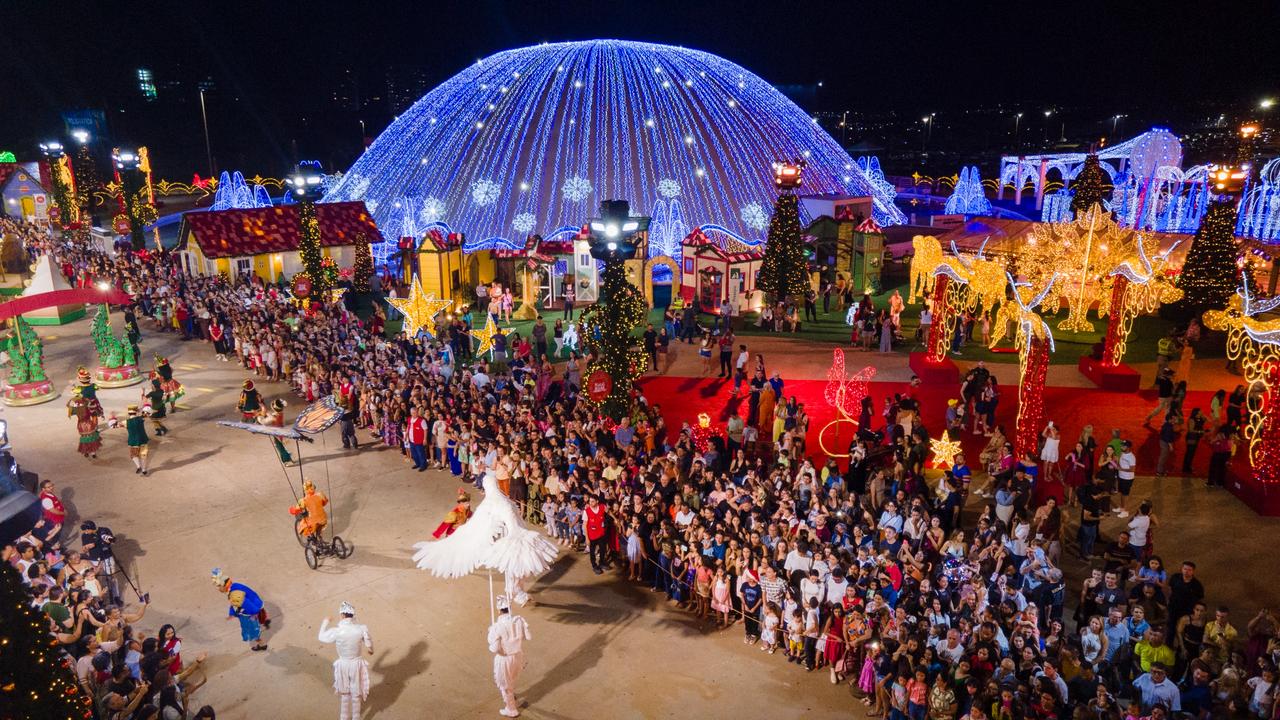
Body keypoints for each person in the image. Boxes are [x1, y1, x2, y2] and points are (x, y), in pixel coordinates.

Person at [317, 601, 373, 720]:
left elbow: (321, 636)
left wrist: (325, 622)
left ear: (342, 615)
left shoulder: (337, 631)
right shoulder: (360, 629)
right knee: (356, 692)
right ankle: (356, 717)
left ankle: (343, 718)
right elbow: (368, 641)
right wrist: (370, 649)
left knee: (345, 693)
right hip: (357, 664)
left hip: (343, 664)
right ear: (352, 615)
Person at [488, 594, 532, 717]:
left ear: (498, 610)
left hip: (504, 659)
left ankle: (511, 709)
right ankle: (513, 701)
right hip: (518, 655)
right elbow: (528, 637)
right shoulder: (519, 620)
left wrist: (491, 634)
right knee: (511, 680)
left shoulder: (497, 626)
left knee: (504, 685)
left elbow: (494, 649)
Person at [212, 567, 269, 651]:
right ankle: (260, 642)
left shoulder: (235, 595)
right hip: (253, 606)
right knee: (252, 630)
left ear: (224, 585)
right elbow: (236, 604)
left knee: (252, 631)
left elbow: (249, 607)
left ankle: (262, 644)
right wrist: (232, 613)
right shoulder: (234, 586)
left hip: (251, 612)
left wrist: (252, 616)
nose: (218, 589)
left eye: (219, 586)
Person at [124, 404, 151, 476]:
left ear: (128, 413)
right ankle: (144, 470)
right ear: (136, 412)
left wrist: (112, 420)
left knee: (134, 455)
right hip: (143, 440)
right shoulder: (141, 418)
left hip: (133, 442)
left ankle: (138, 467)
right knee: (143, 456)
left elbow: (113, 426)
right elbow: (148, 413)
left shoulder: (126, 422)